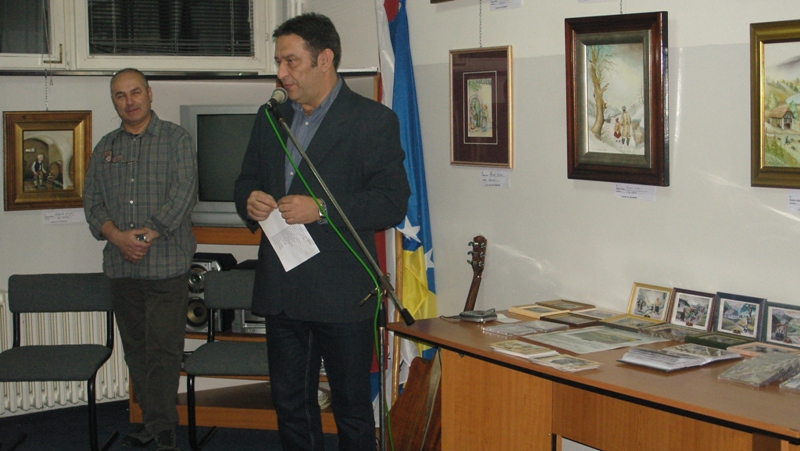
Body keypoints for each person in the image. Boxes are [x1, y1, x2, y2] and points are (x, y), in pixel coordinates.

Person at [234, 13, 410, 451]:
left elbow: (391, 202)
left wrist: (322, 209)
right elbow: (245, 181)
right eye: (279, 62)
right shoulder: (270, 117)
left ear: (325, 59)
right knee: (291, 405)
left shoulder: (372, 120)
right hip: (282, 288)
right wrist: (249, 201)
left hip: (342, 292)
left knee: (352, 409)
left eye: (291, 61)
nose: (281, 73)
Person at [83, 68, 197, 451]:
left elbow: (183, 196)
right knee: (136, 349)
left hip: (166, 265)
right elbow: (92, 203)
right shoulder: (105, 148)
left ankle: (163, 429)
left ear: (149, 94)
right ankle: (153, 421)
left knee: (164, 349)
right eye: (120, 95)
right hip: (122, 266)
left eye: (135, 92)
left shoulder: (177, 140)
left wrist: (146, 235)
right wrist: (118, 237)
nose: (129, 101)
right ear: (114, 101)